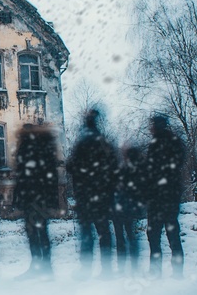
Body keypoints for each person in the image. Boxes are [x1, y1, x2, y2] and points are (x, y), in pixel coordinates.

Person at [67, 109, 119, 279]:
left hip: (85, 195)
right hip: (101, 196)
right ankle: (106, 269)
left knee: (87, 232)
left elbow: (71, 166)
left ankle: (86, 269)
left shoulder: (82, 142)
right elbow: (113, 169)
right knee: (103, 231)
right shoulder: (103, 142)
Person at [14, 124, 60, 277]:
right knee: (41, 230)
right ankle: (46, 267)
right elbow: (52, 175)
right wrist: (53, 200)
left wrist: (18, 199)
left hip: (31, 196)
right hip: (42, 197)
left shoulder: (25, 147)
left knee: (33, 231)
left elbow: (21, 177)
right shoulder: (46, 147)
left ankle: (38, 266)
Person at [144, 115, 185, 278]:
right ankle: (177, 272)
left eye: (152, 124)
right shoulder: (175, 142)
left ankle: (155, 272)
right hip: (171, 195)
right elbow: (176, 165)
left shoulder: (157, 144)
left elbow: (152, 170)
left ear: (157, 126)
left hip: (159, 196)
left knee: (154, 235)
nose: (150, 127)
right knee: (172, 233)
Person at [113, 146, 146, 274]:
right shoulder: (138, 170)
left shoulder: (124, 170)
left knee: (120, 238)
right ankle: (134, 266)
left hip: (120, 208)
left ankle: (122, 267)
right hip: (129, 209)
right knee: (130, 236)